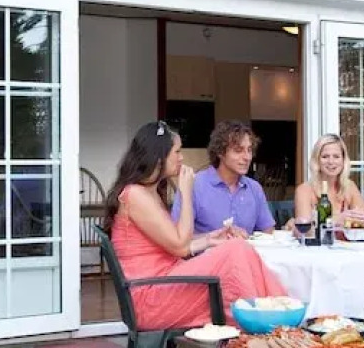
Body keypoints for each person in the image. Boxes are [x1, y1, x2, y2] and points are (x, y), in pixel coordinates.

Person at [106, 121, 288, 329]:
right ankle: (264, 324)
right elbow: (180, 247)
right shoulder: (135, 195)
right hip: (151, 298)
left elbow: (176, 242)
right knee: (235, 250)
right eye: (177, 151)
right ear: (159, 156)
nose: (181, 158)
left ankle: (275, 317)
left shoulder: (148, 193)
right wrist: (185, 193)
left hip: (165, 285)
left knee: (239, 248)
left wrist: (209, 239)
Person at [171, 120, 276, 236]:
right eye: (238, 150)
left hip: (246, 252)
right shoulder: (195, 185)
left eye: (249, 150)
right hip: (205, 253)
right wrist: (218, 238)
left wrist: (248, 239)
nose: (247, 157)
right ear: (220, 152)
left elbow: (268, 232)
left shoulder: (254, 188)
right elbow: (178, 238)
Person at [293, 134, 364, 226]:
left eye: (336, 157)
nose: (331, 162)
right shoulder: (304, 190)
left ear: (343, 160)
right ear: (317, 160)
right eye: (325, 157)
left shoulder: (349, 186)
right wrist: (335, 220)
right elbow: (304, 231)